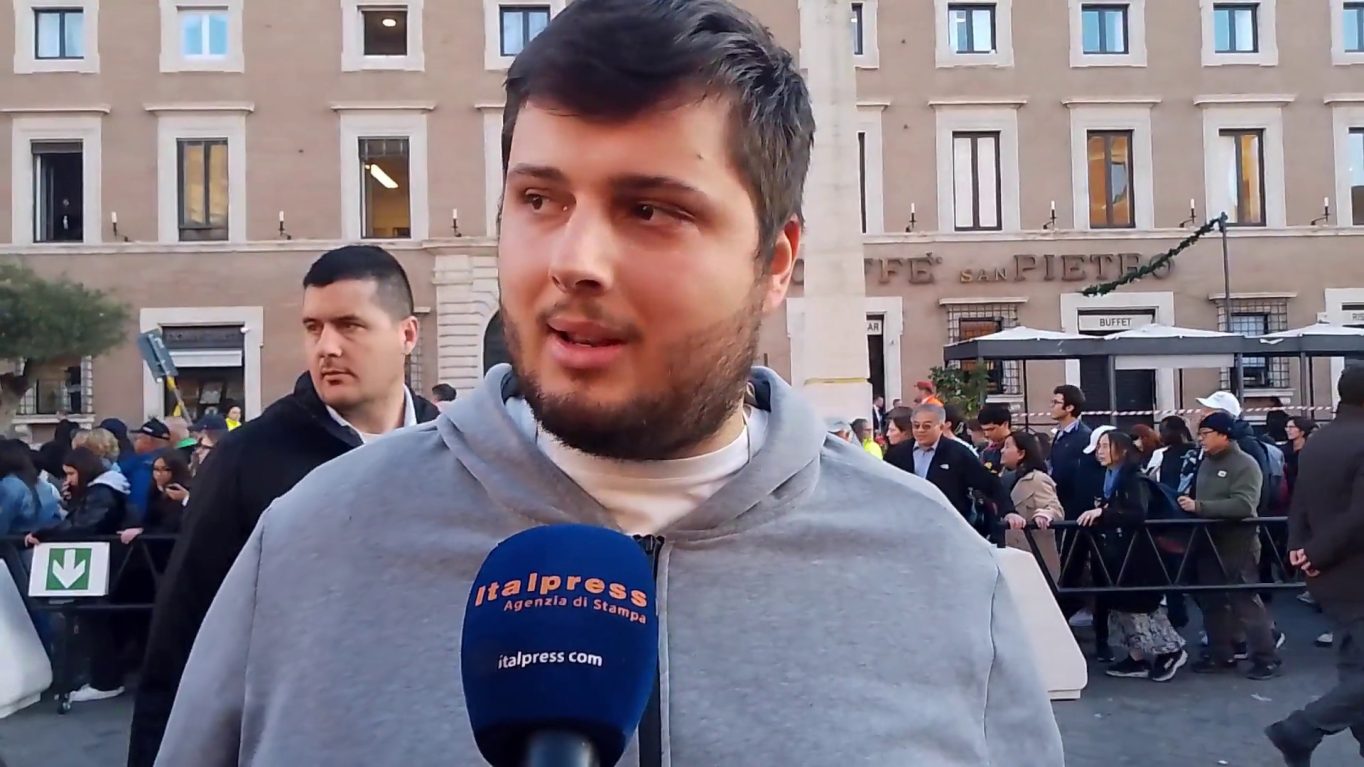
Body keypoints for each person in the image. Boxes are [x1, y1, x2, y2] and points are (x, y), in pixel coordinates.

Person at [152, 3, 1064, 763]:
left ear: (776, 261)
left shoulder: (939, 571)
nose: (574, 259)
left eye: (651, 209)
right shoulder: (309, 546)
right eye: (539, 199)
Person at [127, 245, 442, 766]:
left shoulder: (449, 448)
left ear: (407, 335)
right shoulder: (247, 458)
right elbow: (185, 632)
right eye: (313, 328)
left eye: (350, 326)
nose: (327, 347)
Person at [1266, 367, 1364, 765]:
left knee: (1355, 669)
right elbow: (1360, 515)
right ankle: (1301, 729)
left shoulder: (1319, 440)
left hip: (1328, 577)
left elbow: (1301, 500)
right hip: (1353, 569)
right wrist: (1316, 552)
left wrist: (1299, 548)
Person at [1077, 431, 1188, 683]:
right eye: (1099, 447)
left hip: (1141, 554)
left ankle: (1170, 649)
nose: (1099, 452)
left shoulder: (1133, 480)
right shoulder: (1111, 478)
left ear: (1123, 450)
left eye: (1105, 446)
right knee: (1123, 606)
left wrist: (1103, 513)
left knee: (1141, 605)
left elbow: (1137, 513)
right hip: (1121, 552)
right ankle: (1136, 657)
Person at [1179, 412, 1281, 680]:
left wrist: (1200, 507)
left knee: (1245, 600)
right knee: (1212, 600)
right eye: (1200, 434)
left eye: (1206, 434)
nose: (1201, 439)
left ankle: (1266, 657)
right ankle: (1220, 653)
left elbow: (1245, 504)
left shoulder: (1244, 464)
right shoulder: (1206, 462)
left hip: (1239, 541)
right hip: (1208, 539)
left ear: (1224, 434)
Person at [24, 447, 130, 703]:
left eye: (72, 474)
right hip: (103, 559)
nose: (68, 479)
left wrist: (46, 534)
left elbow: (84, 525)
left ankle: (105, 680)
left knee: (96, 622)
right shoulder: (105, 488)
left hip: (101, 561)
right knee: (95, 621)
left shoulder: (101, 492)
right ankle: (103, 678)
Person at [884, 404, 1013, 527]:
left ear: (941, 427)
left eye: (927, 426)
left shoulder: (958, 453)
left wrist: (1009, 511)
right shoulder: (897, 454)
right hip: (906, 523)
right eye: (916, 426)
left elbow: (989, 483)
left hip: (947, 525)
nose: (920, 430)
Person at [999, 430, 1061, 580]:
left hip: (1034, 558)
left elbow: (1055, 507)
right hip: (1011, 555)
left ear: (1021, 453)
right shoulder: (1004, 479)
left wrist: (1045, 514)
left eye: (1007, 446)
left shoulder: (1037, 479)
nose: (1002, 451)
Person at [976, 402, 1013, 477]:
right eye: (984, 430)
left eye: (991, 429)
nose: (987, 434)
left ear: (1005, 424)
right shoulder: (986, 453)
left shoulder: (1022, 445)